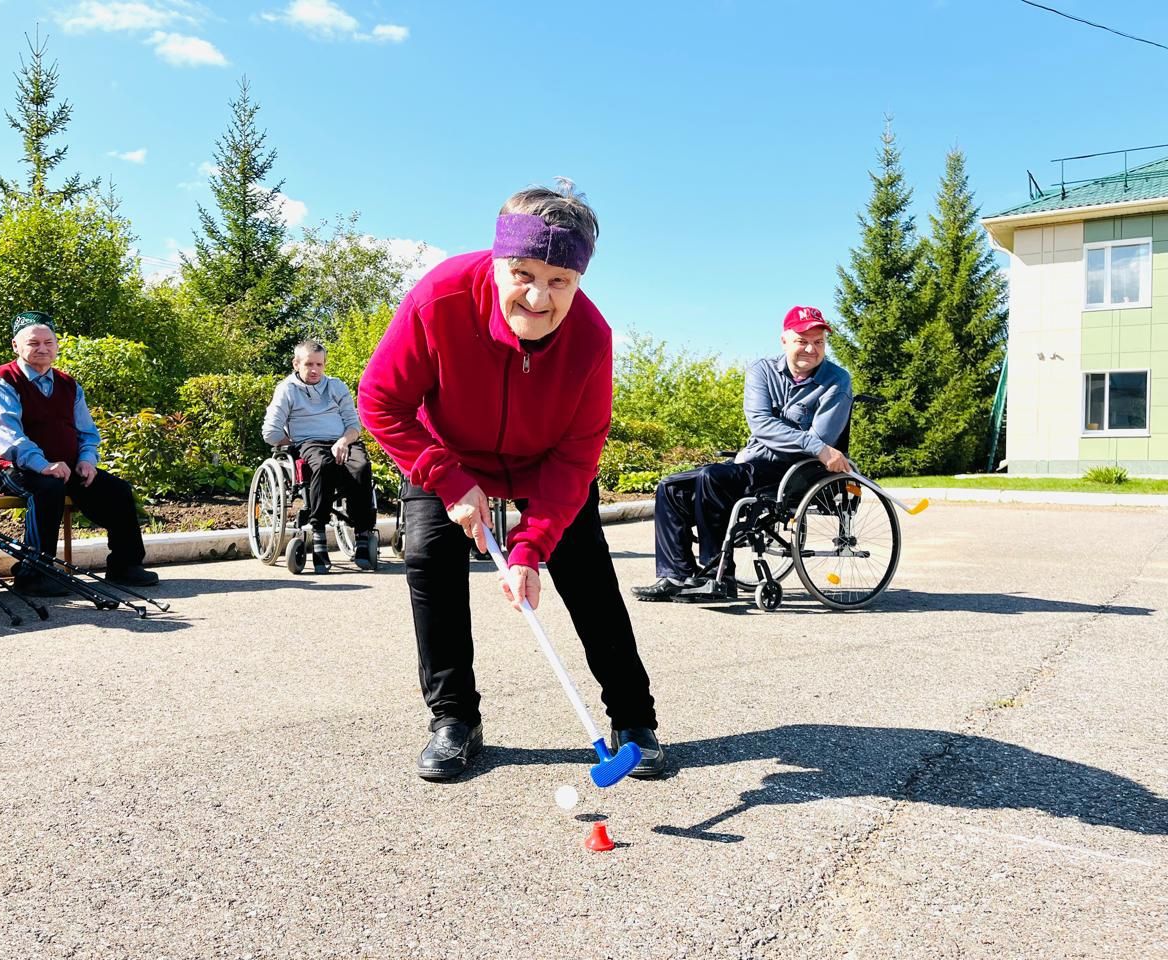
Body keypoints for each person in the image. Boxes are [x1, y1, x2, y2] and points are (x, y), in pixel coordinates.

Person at [358, 180, 665, 781]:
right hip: (444, 449)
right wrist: (446, 478)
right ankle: (454, 719)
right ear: (499, 260)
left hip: (545, 461)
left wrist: (531, 546)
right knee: (427, 556)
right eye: (523, 273)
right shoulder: (439, 298)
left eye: (560, 282)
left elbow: (578, 457)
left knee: (588, 574)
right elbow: (381, 401)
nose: (538, 296)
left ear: (579, 281)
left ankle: (633, 718)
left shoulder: (591, 340)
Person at [631, 305, 853, 603]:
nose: (811, 349)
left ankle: (718, 577)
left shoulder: (837, 381)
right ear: (785, 341)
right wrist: (810, 443)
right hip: (752, 462)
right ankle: (676, 575)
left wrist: (810, 444)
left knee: (713, 477)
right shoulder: (761, 370)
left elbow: (821, 437)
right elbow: (761, 424)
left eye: (818, 342)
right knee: (671, 487)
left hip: (794, 471)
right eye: (802, 340)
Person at [0, 311, 157, 596]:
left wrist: (87, 460)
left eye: (49, 342)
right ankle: (33, 573)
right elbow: (6, 434)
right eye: (34, 343)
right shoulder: (1, 380)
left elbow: (87, 433)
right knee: (47, 489)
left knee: (118, 490)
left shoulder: (68, 384)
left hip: (67, 466)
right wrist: (42, 464)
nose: (43, 349)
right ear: (15, 345)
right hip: (15, 467)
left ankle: (125, 565)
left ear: (57, 345)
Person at [261, 340, 375, 572]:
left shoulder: (336, 387)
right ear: (296, 364)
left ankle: (363, 534)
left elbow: (354, 425)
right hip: (308, 442)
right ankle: (319, 532)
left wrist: (343, 441)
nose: (315, 370)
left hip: (342, 440)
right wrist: (294, 443)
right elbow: (270, 432)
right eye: (309, 364)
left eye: (319, 364)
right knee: (322, 466)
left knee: (361, 467)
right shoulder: (287, 389)